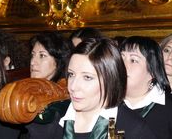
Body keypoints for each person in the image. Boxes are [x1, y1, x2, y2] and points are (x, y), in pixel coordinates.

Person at [27, 37, 156, 139]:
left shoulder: (132, 129)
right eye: (71, 74)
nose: (73, 86)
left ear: (110, 80)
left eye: (87, 77)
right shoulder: (52, 120)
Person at [120, 35, 172, 139]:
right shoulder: (105, 101)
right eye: (121, 58)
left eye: (133, 60)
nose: (122, 65)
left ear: (152, 71)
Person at [23, 32, 72, 138]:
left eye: (42, 56)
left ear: (58, 62)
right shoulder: (27, 90)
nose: (32, 62)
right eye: (33, 55)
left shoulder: (63, 99)